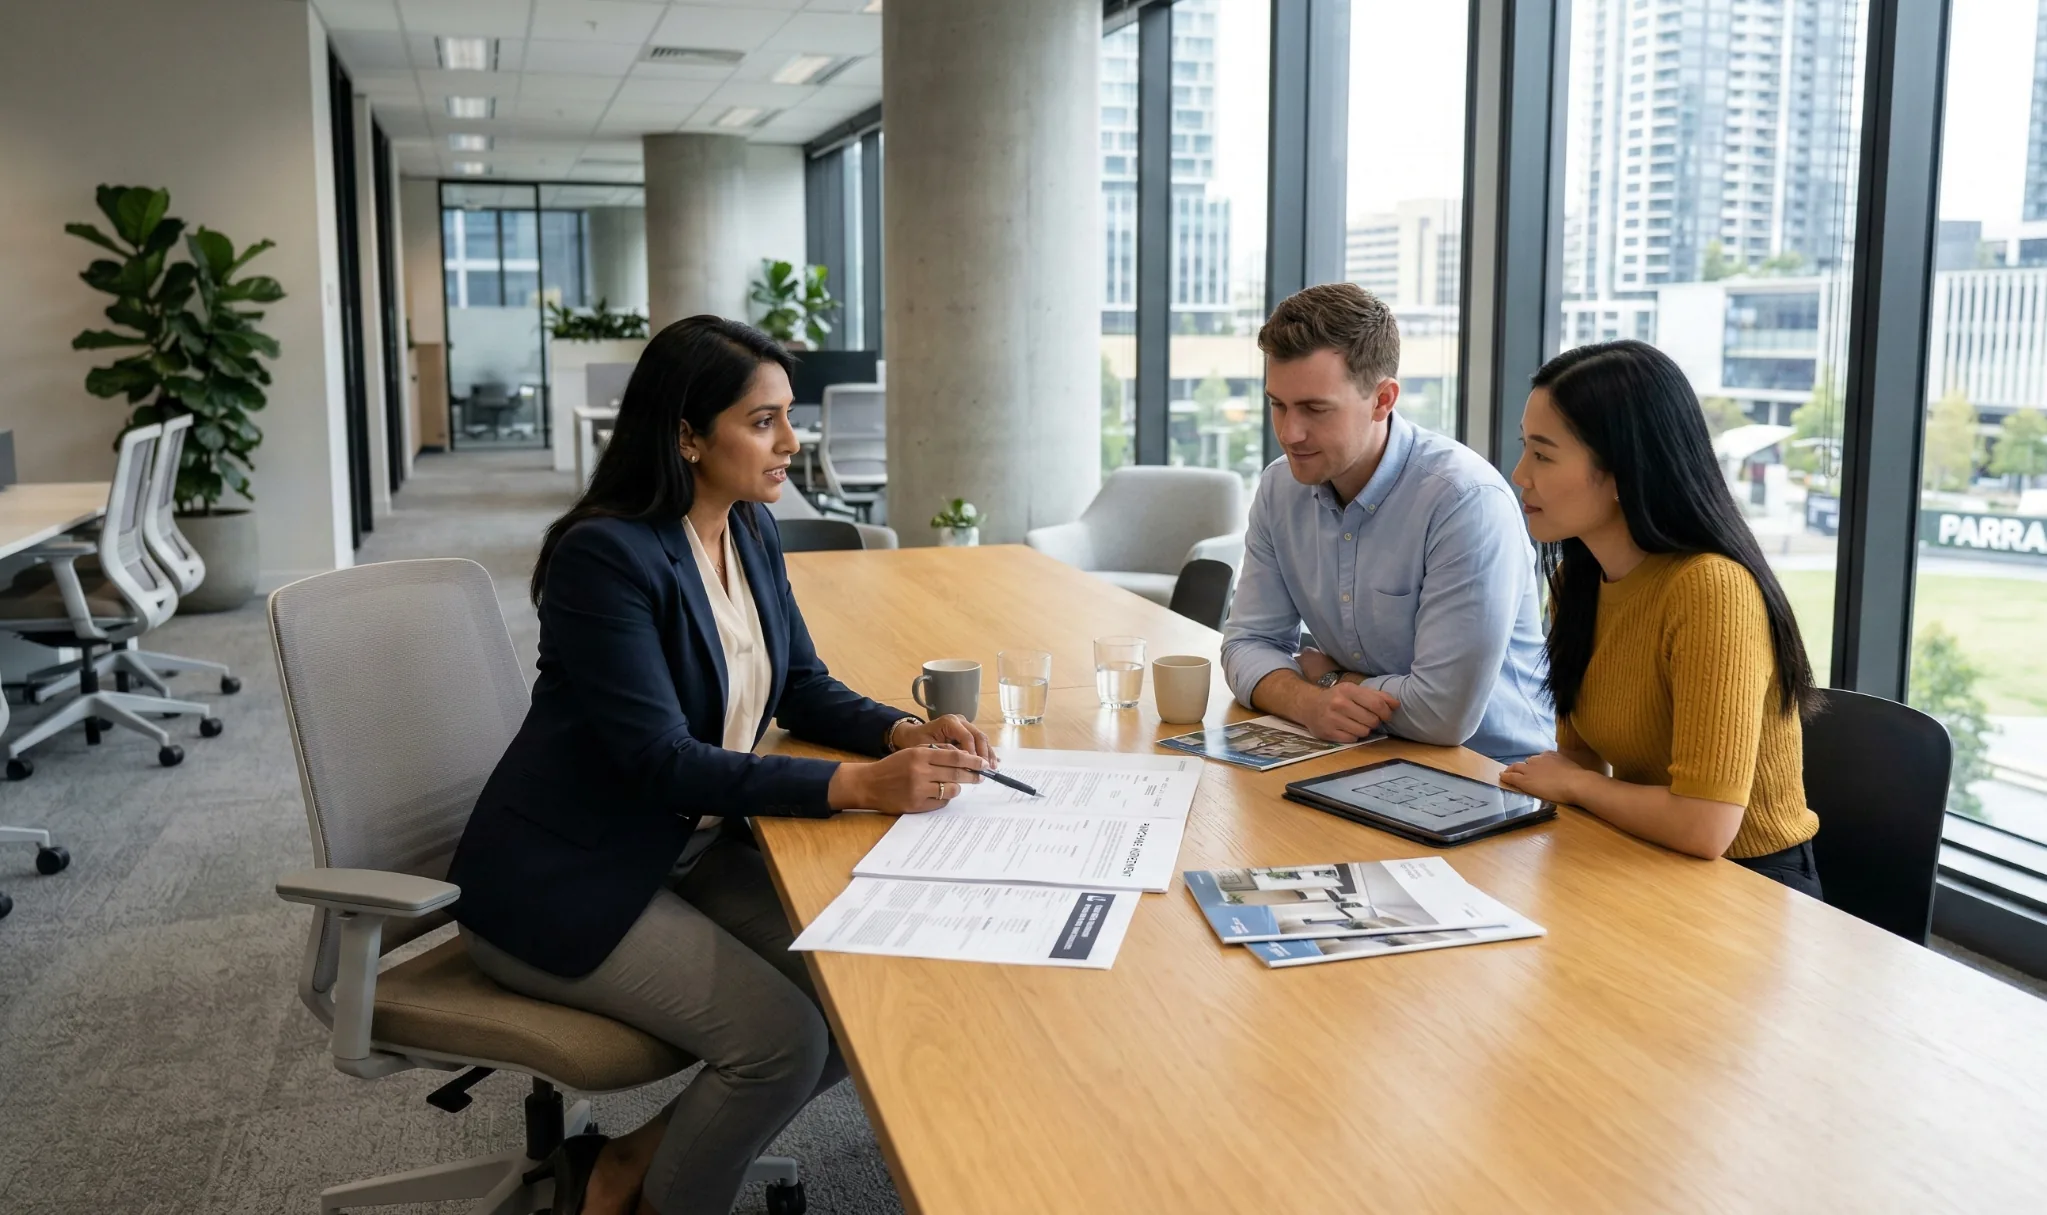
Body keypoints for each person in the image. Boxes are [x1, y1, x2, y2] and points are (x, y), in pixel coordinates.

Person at [446, 315, 995, 1215]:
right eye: (763, 421)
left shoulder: (749, 528)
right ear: (687, 436)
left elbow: (802, 684)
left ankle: (622, 1167)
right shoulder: (605, 557)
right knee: (781, 1042)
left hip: (681, 850)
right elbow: (661, 761)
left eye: (789, 417)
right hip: (567, 875)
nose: (791, 443)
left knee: (858, 989)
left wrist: (903, 732)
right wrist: (858, 786)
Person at [1497, 339, 1822, 896]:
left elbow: (1705, 825)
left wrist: (1575, 786)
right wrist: (1573, 783)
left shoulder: (1712, 589)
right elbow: (1578, 760)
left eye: (1543, 456)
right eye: (1525, 448)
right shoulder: (1577, 580)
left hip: (1752, 883)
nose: (1520, 474)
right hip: (1646, 854)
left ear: (1623, 470)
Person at [1221, 283, 1551, 761]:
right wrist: (1309, 702)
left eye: (1314, 409)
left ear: (1382, 399)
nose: (1289, 433)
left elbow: (1443, 714)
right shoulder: (1280, 488)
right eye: (1278, 404)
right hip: (1366, 752)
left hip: (1494, 771)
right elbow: (1246, 644)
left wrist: (1331, 679)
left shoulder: (1464, 502)